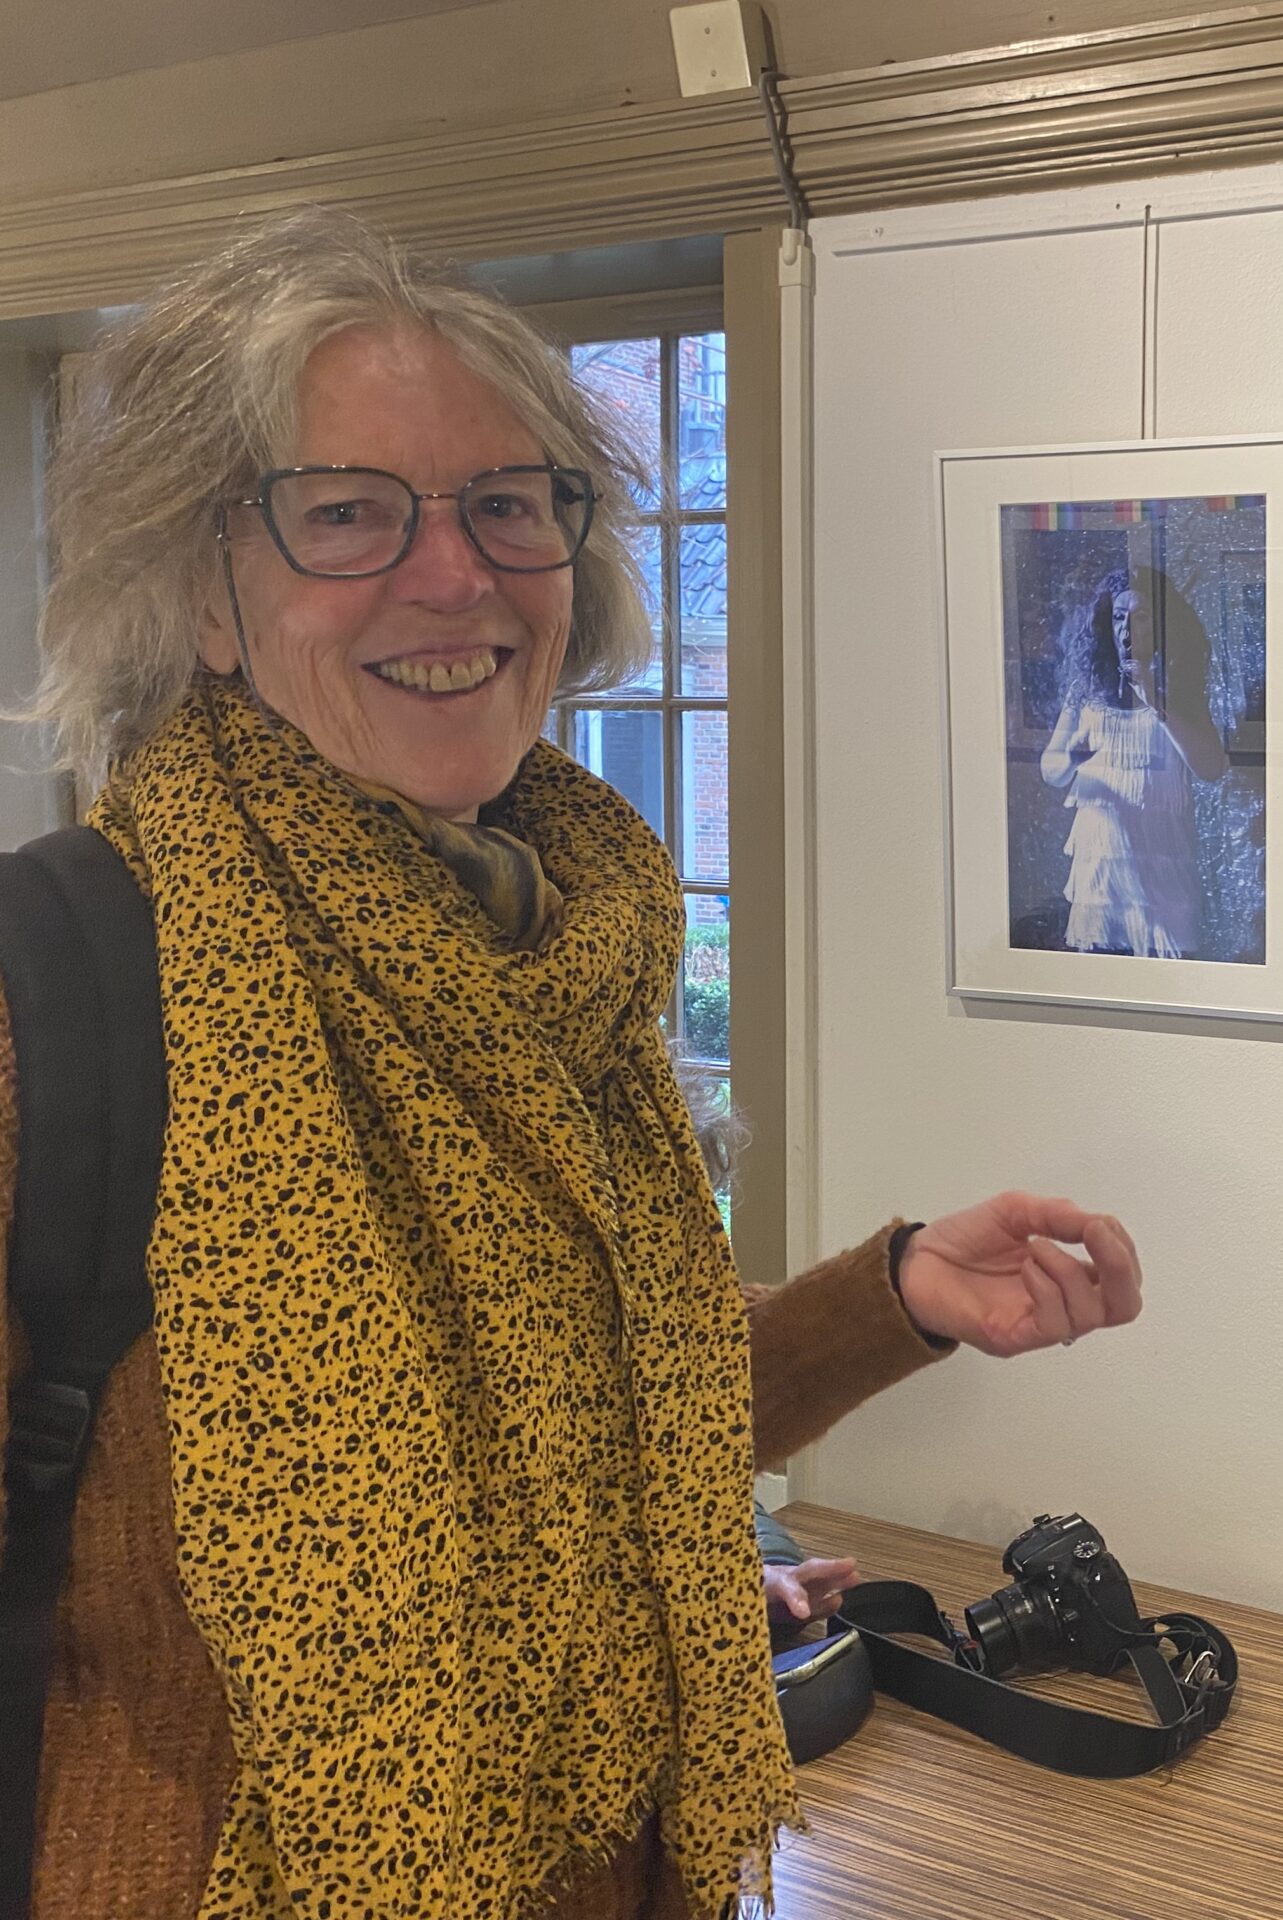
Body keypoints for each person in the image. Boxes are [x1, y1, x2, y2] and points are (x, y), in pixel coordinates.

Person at [2, 210, 1144, 1920]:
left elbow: (598, 1408)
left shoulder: (570, 950)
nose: (453, 573)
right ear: (205, 598)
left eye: (507, 504)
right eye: (346, 512)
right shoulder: (56, 1008)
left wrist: (891, 1296)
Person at [1037, 565, 1228, 957]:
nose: (1127, 630)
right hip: (1101, 866)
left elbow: (1211, 769)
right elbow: (1051, 772)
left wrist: (1152, 695)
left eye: (1140, 618)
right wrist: (1073, 754)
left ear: (1161, 626)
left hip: (1162, 860)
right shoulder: (1085, 689)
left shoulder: (1182, 690)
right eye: (1119, 618)